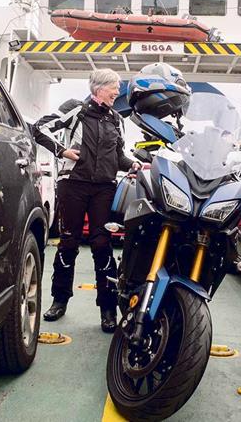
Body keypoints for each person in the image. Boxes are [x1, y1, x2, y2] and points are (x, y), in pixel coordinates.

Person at [32, 68, 140, 333]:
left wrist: (134, 164)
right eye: (114, 87)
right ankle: (60, 300)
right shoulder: (76, 109)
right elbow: (38, 128)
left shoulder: (116, 119)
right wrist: (62, 151)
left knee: (102, 244)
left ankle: (107, 308)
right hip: (73, 184)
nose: (117, 92)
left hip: (104, 187)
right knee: (68, 242)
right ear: (99, 88)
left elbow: (118, 156)